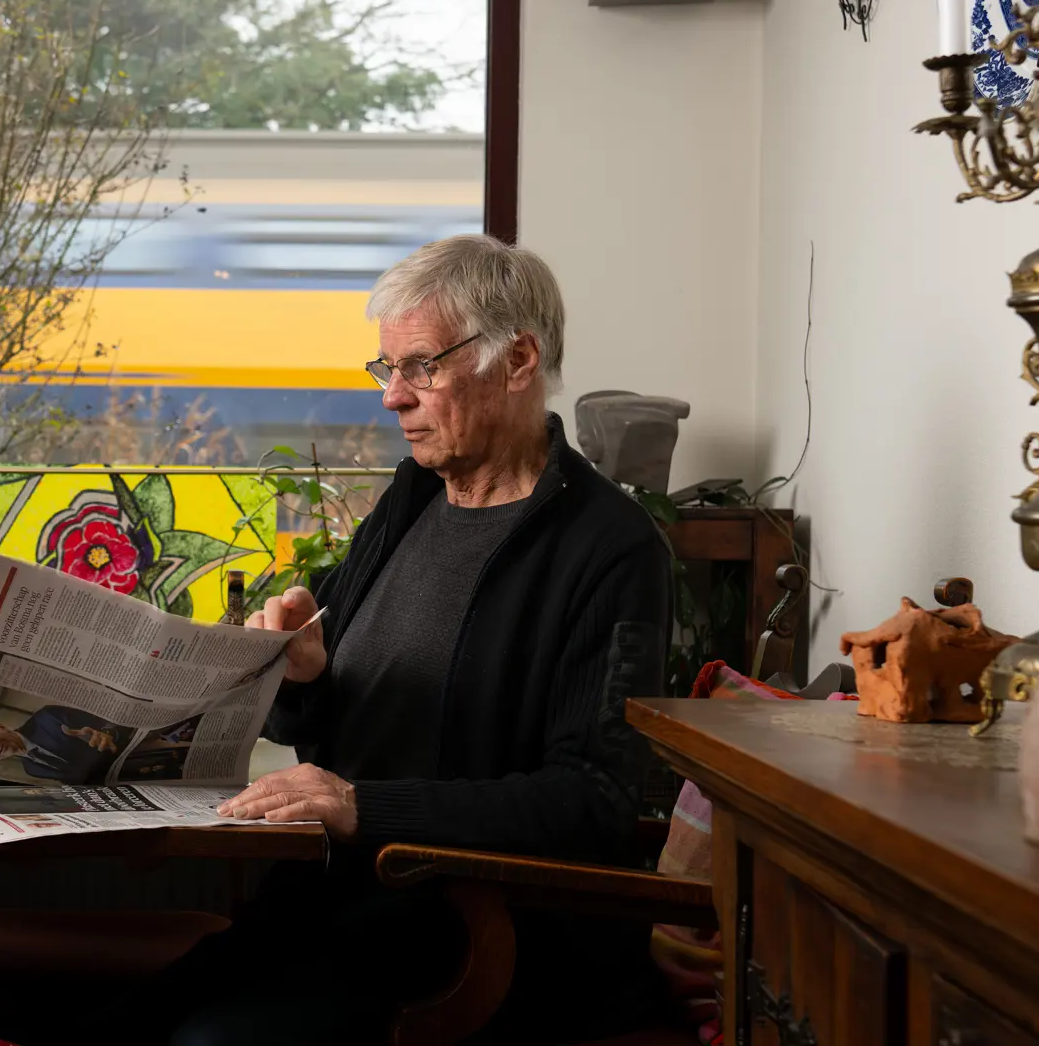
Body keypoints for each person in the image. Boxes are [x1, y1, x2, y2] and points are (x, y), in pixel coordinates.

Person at [154, 234, 671, 1045]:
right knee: (121, 1017)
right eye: (385, 368)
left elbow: (593, 803)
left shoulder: (610, 547)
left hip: (467, 933)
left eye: (421, 365)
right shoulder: (410, 501)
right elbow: (325, 734)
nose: (393, 397)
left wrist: (365, 808)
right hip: (336, 903)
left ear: (519, 359)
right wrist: (306, 676)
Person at [0, 706, 129, 784]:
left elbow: (111, 721)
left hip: (132, 754)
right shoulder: (32, 769)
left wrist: (107, 734)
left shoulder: (48, 718)